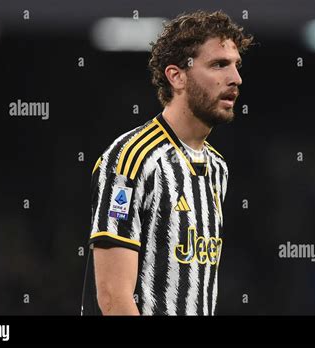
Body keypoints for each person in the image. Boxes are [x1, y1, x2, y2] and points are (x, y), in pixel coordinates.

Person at [84, 10, 253, 315]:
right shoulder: (130, 160)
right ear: (177, 76)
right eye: (219, 65)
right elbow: (112, 298)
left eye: (236, 66)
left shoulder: (217, 168)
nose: (235, 79)